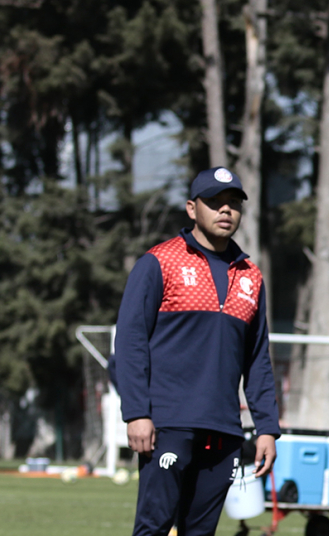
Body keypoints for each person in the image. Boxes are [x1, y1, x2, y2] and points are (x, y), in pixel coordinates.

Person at [111, 167, 280, 536]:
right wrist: (137, 412)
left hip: (224, 430)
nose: (225, 210)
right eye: (214, 202)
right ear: (192, 209)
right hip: (167, 423)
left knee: (199, 533)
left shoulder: (251, 275)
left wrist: (267, 427)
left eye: (233, 203)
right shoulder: (159, 262)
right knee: (154, 527)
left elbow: (257, 357)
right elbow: (130, 342)